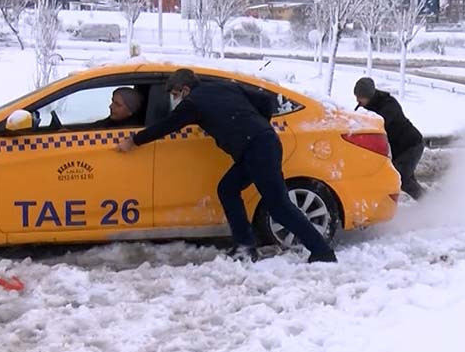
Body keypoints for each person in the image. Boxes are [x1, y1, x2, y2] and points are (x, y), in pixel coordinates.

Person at [116, 69, 337, 264]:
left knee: (278, 206)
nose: (175, 99)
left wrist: (134, 141)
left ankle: (322, 252)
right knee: (228, 189)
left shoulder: (193, 103)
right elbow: (266, 102)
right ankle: (245, 245)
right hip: (262, 144)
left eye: (175, 95)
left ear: (185, 89)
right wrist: (256, 127)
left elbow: (165, 126)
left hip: (257, 150)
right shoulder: (222, 87)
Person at [353, 77, 425, 200]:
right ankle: (429, 201)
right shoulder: (367, 106)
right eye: (356, 96)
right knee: (404, 180)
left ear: (369, 95)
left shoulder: (389, 105)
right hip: (397, 149)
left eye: (361, 97)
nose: (358, 100)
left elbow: (377, 126)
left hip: (411, 145)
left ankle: (429, 203)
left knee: (400, 178)